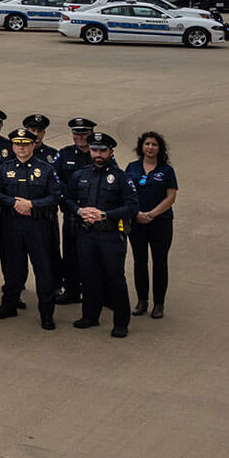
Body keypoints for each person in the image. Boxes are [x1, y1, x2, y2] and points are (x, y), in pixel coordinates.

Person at [68, 132, 139, 337]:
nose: (98, 154)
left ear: (111, 152)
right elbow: (68, 200)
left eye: (102, 150)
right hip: (86, 234)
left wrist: (105, 215)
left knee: (115, 278)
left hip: (110, 236)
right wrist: (80, 211)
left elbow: (132, 206)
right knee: (89, 276)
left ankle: (121, 322)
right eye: (94, 150)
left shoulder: (121, 178)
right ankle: (90, 315)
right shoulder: (80, 175)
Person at [0, 128, 59, 329]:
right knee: (13, 269)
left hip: (38, 226)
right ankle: (9, 305)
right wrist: (14, 203)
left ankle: (47, 313)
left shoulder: (46, 169)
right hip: (12, 225)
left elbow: (55, 196)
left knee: (43, 270)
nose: (21, 148)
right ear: (13, 146)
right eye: (18, 144)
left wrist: (32, 205)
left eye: (26, 144)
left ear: (33, 145)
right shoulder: (5, 168)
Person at [126, 131, 177, 319]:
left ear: (159, 149)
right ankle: (142, 301)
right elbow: (125, 193)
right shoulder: (132, 168)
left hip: (160, 224)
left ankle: (158, 304)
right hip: (137, 222)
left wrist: (151, 214)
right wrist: (136, 214)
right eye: (147, 144)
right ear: (141, 147)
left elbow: (171, 197)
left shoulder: (166, 171)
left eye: (154, 144)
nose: (150, 147)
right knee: (140, 262)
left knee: (159, 262)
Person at [53, 117, 97, 304]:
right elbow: (54, 179)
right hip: (72, 212)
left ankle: (96, 292)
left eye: (84, 133)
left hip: (94, 214)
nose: (80, 136)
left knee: (94, 255)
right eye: (76, 133)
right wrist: (70, 198)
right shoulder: (64, 154)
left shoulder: (99, 153)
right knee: (71, 253)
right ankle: (71, 290)